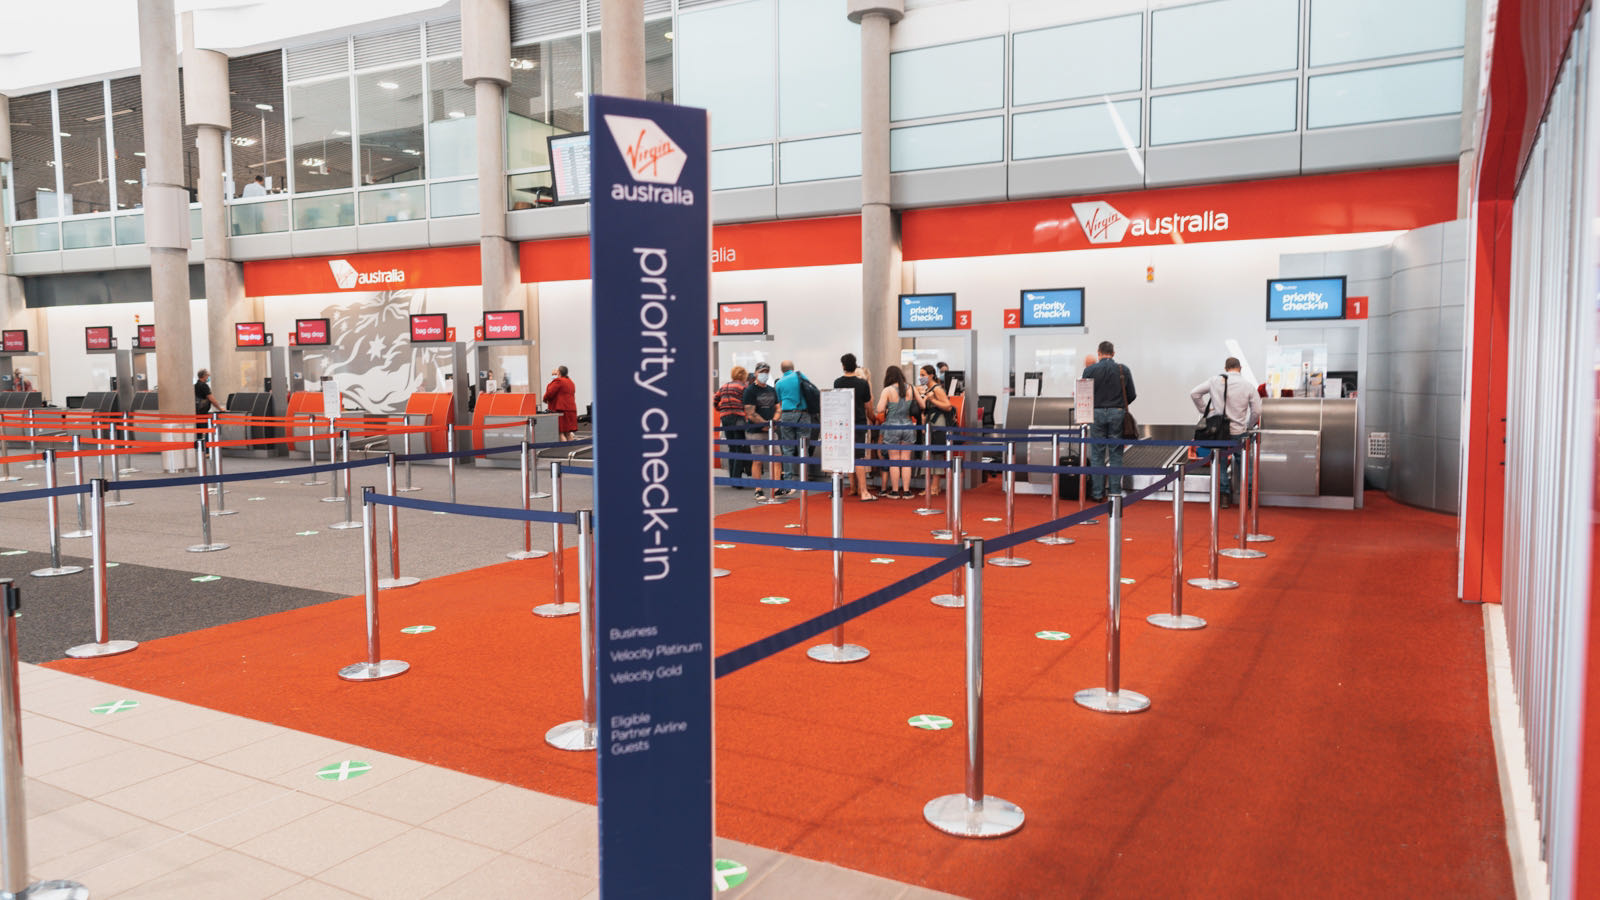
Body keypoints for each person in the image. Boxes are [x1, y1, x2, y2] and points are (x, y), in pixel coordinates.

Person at [1189, 357, 1261, 508]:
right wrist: (1249, 425)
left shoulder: (1214, 381)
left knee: (1220, 462)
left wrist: (1206, 411)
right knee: (1244, 464)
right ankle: (1248, 497)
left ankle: (1224, 496)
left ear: (1226, 368)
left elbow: (1194, 393)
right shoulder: (1248, 385)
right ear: (1240, 368)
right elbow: (1257, 410)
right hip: (1239, 430)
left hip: (1219, 431)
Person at [1081, 341, 1135, 501]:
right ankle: (1114, 493)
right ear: (1113, 353)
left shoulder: (1089, 370)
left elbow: (1084, 394)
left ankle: (1097, 494)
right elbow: (1131, 394)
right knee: (1116, 454)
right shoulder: (1123, 369)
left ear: (1099, 353)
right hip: (1117, 413)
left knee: (1097, 454)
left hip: (1096, 413)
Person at [833, 353, 875, 500]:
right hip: (859, 423)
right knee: (859, 457)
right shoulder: (862, 384)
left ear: (843, 366)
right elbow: (868, 405)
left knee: (843, 456)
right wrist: (873, 418)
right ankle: (863, 491)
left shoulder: (837, 383)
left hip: (842, 423)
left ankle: (846, 488)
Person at [875, 365, 920, 499]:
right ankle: (906, 491)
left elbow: (879, 409)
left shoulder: (887, 390)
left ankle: (895, 491)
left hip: (892, 426)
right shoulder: (911, 388)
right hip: (908, 425)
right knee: (906, 459)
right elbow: (922, 404)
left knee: (894, 459)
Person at [772, 360, 811, 496]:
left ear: (782, 370)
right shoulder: (800, 376)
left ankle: (789, 480)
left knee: (788, 448)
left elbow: (780, 401)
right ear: (793, 368)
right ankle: (803, 478)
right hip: (803, 414)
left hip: (787, 415)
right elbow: (809, 390)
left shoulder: (779, 383)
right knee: (803, 446)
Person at [741, 362, 779, 499]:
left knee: (777, 457)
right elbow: (750, 412)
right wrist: (765, 423)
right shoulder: (750, 391)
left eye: (767, 371)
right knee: (758, 460)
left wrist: (773, 421)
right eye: (762, 371)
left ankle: (776, 487)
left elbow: (778, 407)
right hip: (756, 431)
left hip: (771, 430)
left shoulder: (771, 390)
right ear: (756, 373)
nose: (765, 374)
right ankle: (758, 489)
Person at [916, 364, 954, 497]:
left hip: (938, 422)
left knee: (936, 452)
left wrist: (932, 399)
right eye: (920, 375)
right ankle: (931, 486)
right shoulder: (926, 388)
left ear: (931, 375)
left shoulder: (937, 389)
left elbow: (948, 406)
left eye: (923, 375)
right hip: (929, 421)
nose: (921, 378)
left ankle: (934, 487)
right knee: (929, 453)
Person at [715, 365, 750, 484]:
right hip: (738, 418)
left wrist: (721, 409)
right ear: (743, 375)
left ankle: (732, 477)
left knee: (731, 447)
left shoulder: (724, 386)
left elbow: (715, 399)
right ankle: (737, 478)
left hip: (725, 418)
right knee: (739, 447)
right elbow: (746, 403)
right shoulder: (743, 387)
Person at [542, 365, 578, 441]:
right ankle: (570, 449)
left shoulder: (558, 381)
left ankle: (563, 450)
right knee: (568, 433)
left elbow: (549, 393)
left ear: (559, 372)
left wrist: (544, 399)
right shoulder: (571, 382)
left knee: (560, 432)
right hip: (570, 409)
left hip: (560, 410)